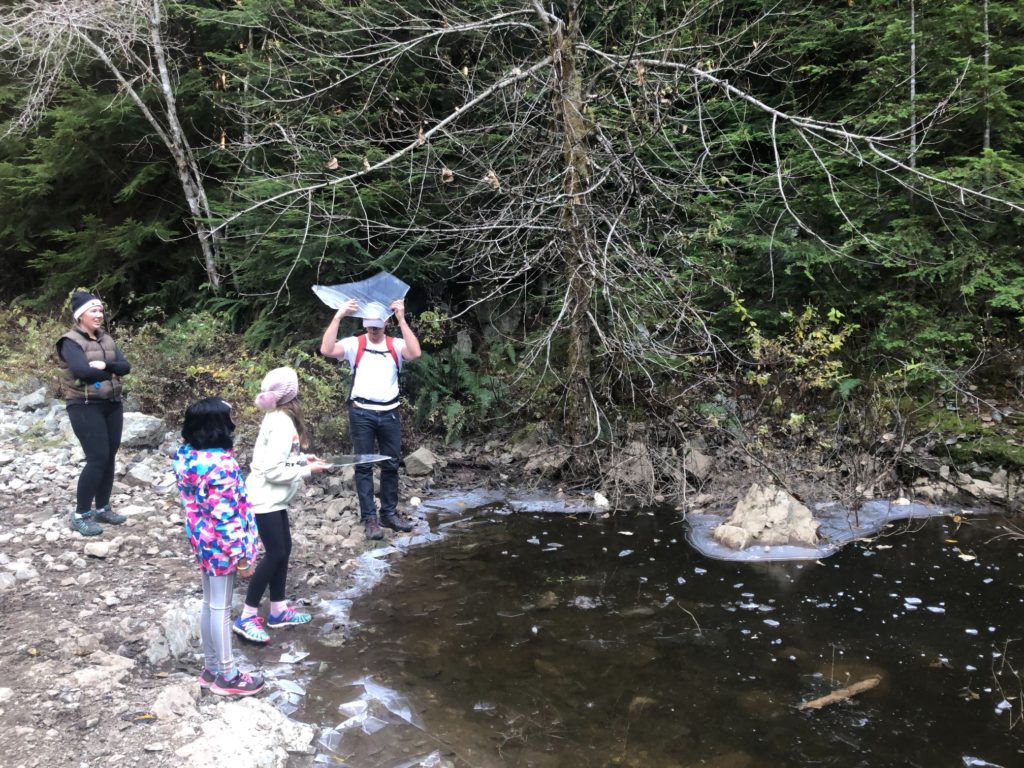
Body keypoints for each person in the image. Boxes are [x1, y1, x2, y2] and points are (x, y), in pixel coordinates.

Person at [172, 397, 264, 696]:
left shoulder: (186, 456)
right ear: (218, 425)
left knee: (210, 603)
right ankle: (227, 674)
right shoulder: (221, 466)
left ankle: (211, 668)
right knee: (221, 609)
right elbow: (225, 517)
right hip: (222, 546)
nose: (233, 423)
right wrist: (241, 557)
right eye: (230, 417)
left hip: (201, 539)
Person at [233, 367, 330, 644]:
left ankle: (278, 610)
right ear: (293, 393)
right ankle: (247, 616)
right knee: (274, 553)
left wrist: (305, 461)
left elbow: (282, 460)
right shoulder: (281, 423)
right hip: (264, 499)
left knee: (284, 550)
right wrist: (308, 471)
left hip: (274, 500)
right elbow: (272, 471)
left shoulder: (279, 417)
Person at [320, 297, 421, 540]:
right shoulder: (356, 344)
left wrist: (402, 319)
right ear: (365, 325)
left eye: (377, 326)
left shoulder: (395, 345)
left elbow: (415, 353)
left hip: (390, 412)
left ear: (385, 324)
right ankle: (370, 519)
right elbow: (326, 350)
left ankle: (388, 513)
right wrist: (338, 316)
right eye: (370, 327)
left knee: (390, 464)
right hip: (361, 412)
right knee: (363, 466)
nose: (373, 331)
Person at [55, 291, 132, 536]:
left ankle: (103, 508)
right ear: (80, 315)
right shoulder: (69, 341)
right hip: (83, 405)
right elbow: (82, 372)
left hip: (111, 402)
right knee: (97, 458)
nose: (99, 315)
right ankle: (80, 514)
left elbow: (126, 367)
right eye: (93, 311)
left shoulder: (106, 339)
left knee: (109, 457)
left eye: (100, 310)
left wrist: (106, 366)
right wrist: (112, 371)